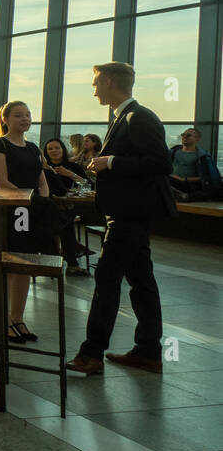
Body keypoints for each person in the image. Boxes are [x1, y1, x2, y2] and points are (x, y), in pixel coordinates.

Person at [67, 62, 175, 376]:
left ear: (111, 82)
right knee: (141, 281)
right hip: (132, 213)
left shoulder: (138, 117)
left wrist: (109, 161)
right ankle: (148, 351)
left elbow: (160, 163)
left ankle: (91, 354)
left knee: (107, 280)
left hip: (129, 215)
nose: (94, 88)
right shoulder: (127, 117)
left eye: (96, 83)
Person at [0, 101, 51, 343]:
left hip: (32, 210)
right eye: (18, 115)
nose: (24, 119)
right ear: (6, 119)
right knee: (10, 261)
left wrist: (41, 201)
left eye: (27, 115)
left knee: (25, 262)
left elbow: (41, 180)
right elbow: (2, 181)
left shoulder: (34, 147)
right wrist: (26, 200)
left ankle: (17, 317)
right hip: (12, 209)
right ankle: (3, 320)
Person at [42, 137, 89, 277]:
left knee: (63, 218)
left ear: (63, 149)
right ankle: (71, 263)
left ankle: (54, 259)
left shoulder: (73, 166)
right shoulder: (44, 168)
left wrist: (70, 174)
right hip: (51, 206)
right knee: (64, 221)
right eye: (50, 149)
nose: (54, 151)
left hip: (70, 204)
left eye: (57, 148)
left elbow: (87, 185)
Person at [169, 127, 205, 195]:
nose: (185, 137)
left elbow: (205, 177)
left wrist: (183, 179)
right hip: (172, 181)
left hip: (188, 184)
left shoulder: (202, 156)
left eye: (188, 135)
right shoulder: (173, 152)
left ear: (197, 139)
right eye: (183, 134)